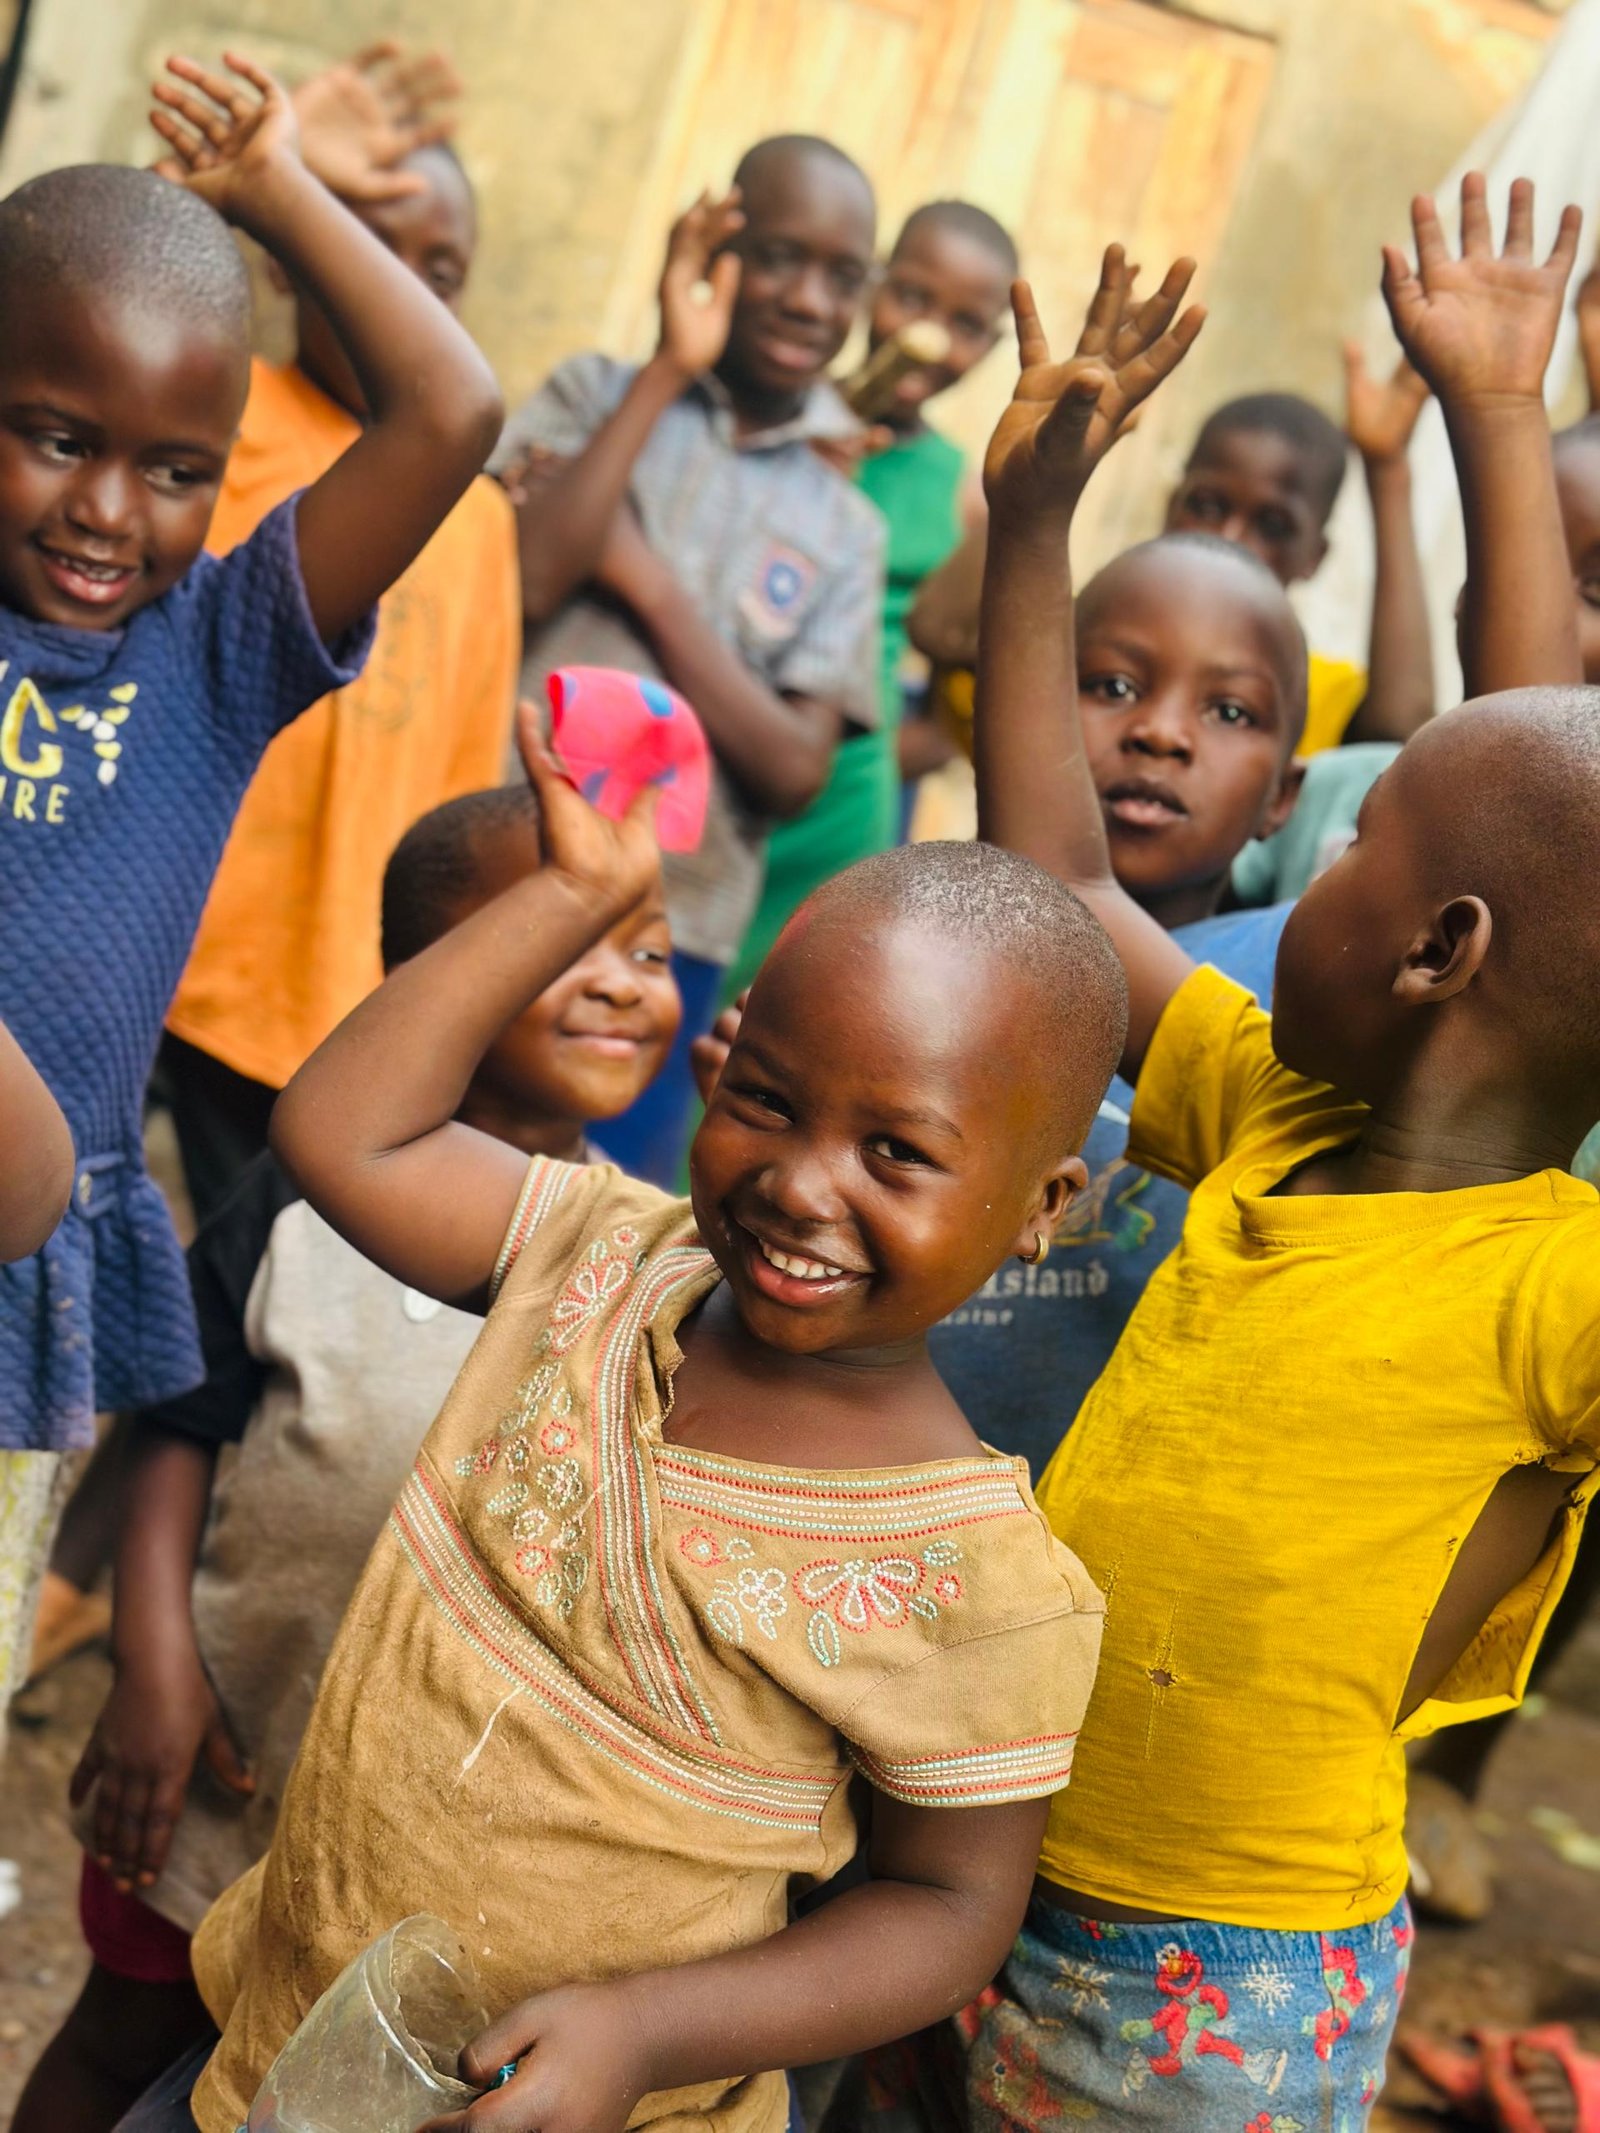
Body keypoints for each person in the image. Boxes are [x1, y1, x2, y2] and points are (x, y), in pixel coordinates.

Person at [115, 706, 1123, 2133]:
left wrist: (645, 2031)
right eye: (767, 1102)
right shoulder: (594, 1255)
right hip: (287, 2052)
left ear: (1040, 1206)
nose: (801, 1185)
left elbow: (946, 1908)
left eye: (897, 1151)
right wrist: (572, 894)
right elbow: (343, 1129)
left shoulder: (984, 1590)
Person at [902, 176, 1600, 2133]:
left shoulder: (1558, 1285)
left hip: (1223, 1987)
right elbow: (1061, 882)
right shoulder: (1267, 1108)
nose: (1308, 866)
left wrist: (1492, 419)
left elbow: (1542, 787)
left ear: (1433, 949)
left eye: (1350, 846)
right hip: (975, 1865)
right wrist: (1032, 521)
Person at [11, 778, 679, 2133]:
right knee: (121, 2042)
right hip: (219, 1773)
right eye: (566, 938)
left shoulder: (657, 1266)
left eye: (650, 949)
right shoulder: (298, 1203)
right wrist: (154, 1664)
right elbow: (182, 1425)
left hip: (423, 1844)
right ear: (423, 983)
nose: (620, 983)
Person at [0, 54, 502, 1713]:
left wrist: (286, 195)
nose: (107, 512)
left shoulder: (213, 656)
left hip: (18, 1271)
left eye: (174, 468)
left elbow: (450, 410)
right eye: (56, 441)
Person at [698, 528, 1311, 1477]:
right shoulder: (899, 947)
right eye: (1109, 685)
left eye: (1230, 710)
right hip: (813, 1464)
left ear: (1285, 796)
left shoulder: (1278, 995)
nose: (1160, 732)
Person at [159, 49, 519, 1225]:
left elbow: (460, 769)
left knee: (230, 1290)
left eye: (436, 272)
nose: (395, 293)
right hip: (157, 938)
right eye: (364, 247)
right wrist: (257, 178)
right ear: (291, 255)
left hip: (320, 991)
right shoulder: (219, 413)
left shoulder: (476, 517)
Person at [492, 136, 886, 1187]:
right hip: (498, 871)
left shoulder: (844, 523)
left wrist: (640, 576)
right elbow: (525, 578)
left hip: (671, 930)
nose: (808, 299)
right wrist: (669, 365)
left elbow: (793, 768)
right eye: (779, 257)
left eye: (842, 275)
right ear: (715, 251)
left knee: (581, 1212)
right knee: (410, 1161)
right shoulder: (594, 395)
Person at [722, 200, 1016, 1001]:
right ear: (872, 285)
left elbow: (971, 692)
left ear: (991, 347)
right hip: (714, 739)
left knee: (762, 1009)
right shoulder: (778, 414)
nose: (929, 337)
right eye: (912, 298)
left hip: (841, 800)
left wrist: (875, 756)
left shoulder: (964, 494)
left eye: (965, 324)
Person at [1165, 355, 1435, 751]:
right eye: (1206, 506)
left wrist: (1386, 470)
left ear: (1315, 558)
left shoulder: (1312, 692)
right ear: (1171, 506)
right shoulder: (1089, 635)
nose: (1229, 540)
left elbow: (1399, 730)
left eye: (1272, 527)